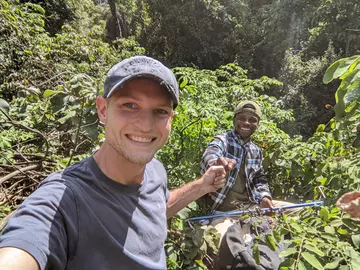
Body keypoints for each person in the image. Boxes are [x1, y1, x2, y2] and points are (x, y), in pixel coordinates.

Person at [0, 56, 228, 270]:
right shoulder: (65, 199)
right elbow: (23, 245)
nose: (146, 125)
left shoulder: (155, 171)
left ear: (170, 119)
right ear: (102, 110)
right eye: (130, 105)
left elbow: (158, 207)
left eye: (160, 111)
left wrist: (203, 185)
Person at [200, 101, 293, 240]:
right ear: (234, 120)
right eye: (242, 118)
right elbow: (211, 154)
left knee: (301, 211)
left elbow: (259, 178)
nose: (246, 123)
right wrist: (215, 164)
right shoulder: (223, 140)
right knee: (223, 241)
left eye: (252, 120)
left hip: (252, 207)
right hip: (224, 213)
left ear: (257, 124)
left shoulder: (256, 150)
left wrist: (265, 197)